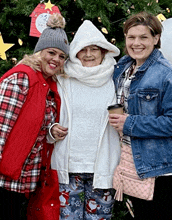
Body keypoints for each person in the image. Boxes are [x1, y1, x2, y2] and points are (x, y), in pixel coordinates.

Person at [109, 12, 172, 220]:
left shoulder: (165, 74)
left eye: (143, 37)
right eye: (131, 37)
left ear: (155, 39)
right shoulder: (123, 68)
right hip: (133, 161)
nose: (136, 43)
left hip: (162, 167)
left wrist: (131, 123)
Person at [0, 13, 69, 220]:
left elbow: (36, 124)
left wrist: (52, 130)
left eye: (62, 56)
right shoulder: (21, 78)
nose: (56, 60)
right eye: (51, 52)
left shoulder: (47, 84)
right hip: (0, 180)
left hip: (23, 181)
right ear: (39, 52)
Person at [48, 20, 121, 219]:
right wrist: (52, 129)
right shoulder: (63, 78)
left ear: (104, 51)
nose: (88, 54)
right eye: (83, 49)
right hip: (69, 166)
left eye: (94, 49)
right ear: (75, 52)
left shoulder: (116, 77)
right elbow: (47, 113)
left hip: (103, 168)